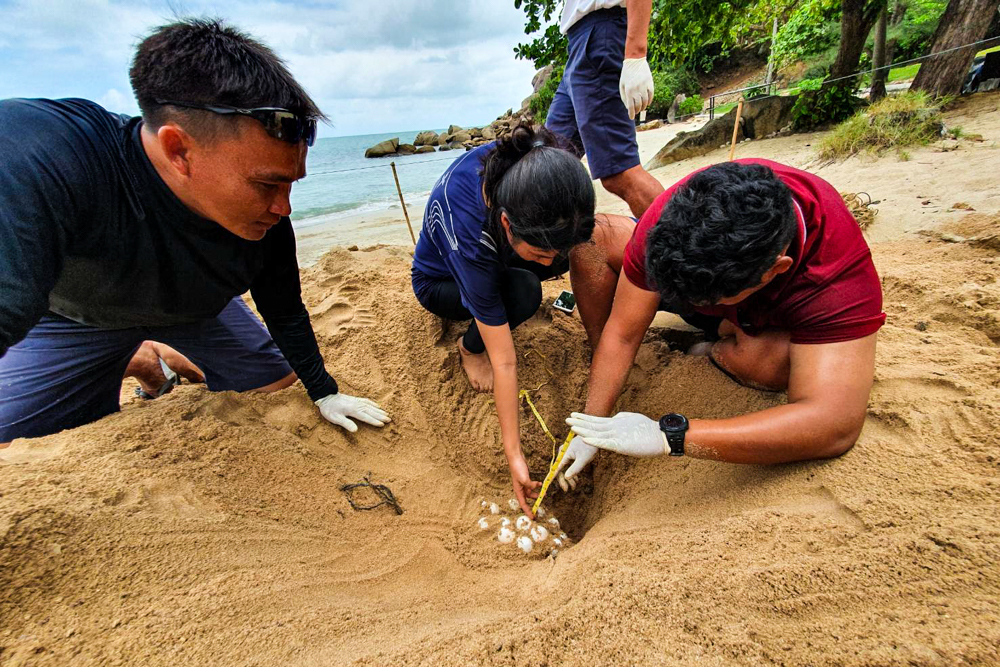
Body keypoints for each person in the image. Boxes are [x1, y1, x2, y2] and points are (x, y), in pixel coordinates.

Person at [0, 19, 389, 445]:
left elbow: (284, 311)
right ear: (178, 150)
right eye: (266, 184)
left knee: (275, 382)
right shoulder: (49, 154)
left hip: (194, 308)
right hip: (78, 316)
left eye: (290, 184)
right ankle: (140, 359)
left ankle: (166, 350)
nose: (284, 207)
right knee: (12, 434)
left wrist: (324, 392)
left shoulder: (269, 218)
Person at [556, 159, 886, 484]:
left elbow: (834, 425)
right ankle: (715, 324)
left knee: (772, 364)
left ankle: (715, 347)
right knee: (593, 241)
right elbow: (623, 334)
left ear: (775, 270)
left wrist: (669, 435)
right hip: (710, 286)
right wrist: (591, 425)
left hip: (766, 320)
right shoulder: (673, 220)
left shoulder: (836, 272)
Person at [412, 124, 633, 516]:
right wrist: (514, 455)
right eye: (542, 253)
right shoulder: (471, 238)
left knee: (570, 250)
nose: (552, 264)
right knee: (524, 292)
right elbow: (505, 362)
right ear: (506, 224)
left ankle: (540, 274)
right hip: (440, 283)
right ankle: (468, 347)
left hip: (503, 248)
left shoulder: (534, 164)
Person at [545, 0, 664, 217]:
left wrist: (636, 54)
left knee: (620, 172)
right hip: (578, 43)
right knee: (549, 165)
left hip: (600, 34)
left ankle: (686, 237)